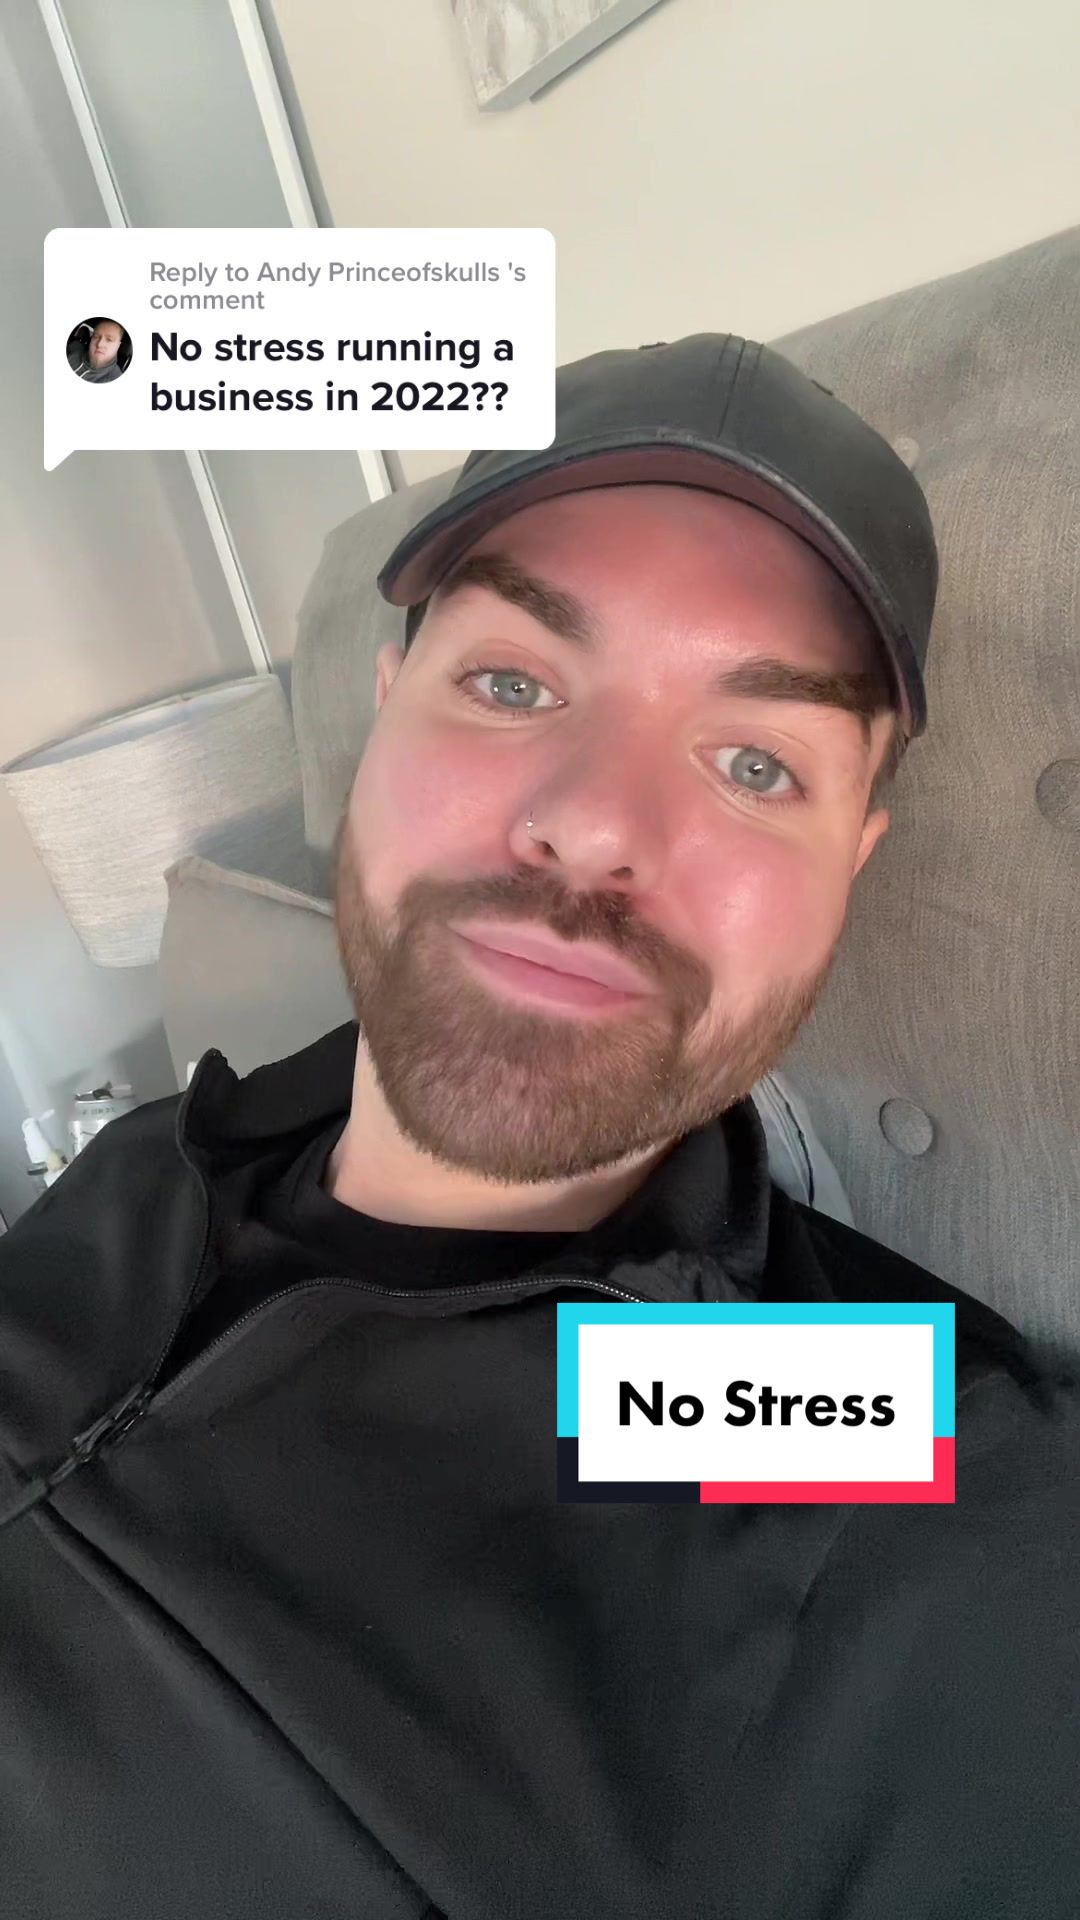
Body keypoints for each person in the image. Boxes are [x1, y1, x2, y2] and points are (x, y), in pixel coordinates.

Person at [1, 335, 1077, 1919]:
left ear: (855, 858)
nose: (592, 823)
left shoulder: (886, 1455)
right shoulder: (165, 1146)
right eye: (511, 684)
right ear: (384, 713)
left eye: (755, 763)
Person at [67, 316, 127, 382]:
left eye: (109, 340)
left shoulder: (115, 378)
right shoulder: (74, 354)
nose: (99, 344)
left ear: (118, 345)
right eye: (95, 337)